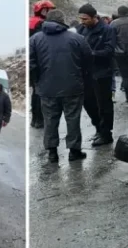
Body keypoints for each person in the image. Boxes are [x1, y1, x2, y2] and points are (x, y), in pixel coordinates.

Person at [30, 9, 93, 163]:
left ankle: (52, 152)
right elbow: (88, 60)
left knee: (50, 120)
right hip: (73, 87)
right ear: (62, 21)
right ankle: (74, 151)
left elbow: (32, 66)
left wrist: (37, 83)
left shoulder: (35, 39)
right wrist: (82, 78)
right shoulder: (77, 38)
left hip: (47, 89)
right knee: (73, 119)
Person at [75, 3, 117, 146]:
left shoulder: (107, 30)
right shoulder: (80, 29)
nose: (83, 22)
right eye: (81, 19)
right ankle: (98, 128)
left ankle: (106, 134)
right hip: (85, 73)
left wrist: (91, 54)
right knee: (88, 103)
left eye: (85, 19)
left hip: (102, 73)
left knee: (104, 105)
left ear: (95, 17)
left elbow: (109, 50)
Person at [30, 0, 56, 129]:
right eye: (50, 10)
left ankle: (35, 119)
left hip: (32, 62)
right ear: (44, 10)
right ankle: (39, 119)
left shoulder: (30, 21)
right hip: (40, 62)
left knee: (35, 92)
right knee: (40, 92)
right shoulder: (41, 24)